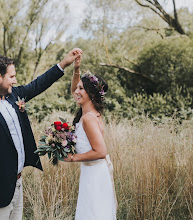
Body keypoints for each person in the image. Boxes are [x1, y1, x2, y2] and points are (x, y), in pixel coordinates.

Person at [0, 48, 82, 220]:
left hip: (17, 184)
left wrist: (64, 63)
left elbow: (38, 84)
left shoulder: (12, 95)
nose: (15, 81)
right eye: (12, 77)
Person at [64, 55, 117, 219]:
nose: (77, 92)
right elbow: (73, 89)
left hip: (94, 174)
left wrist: (72, 158)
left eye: (81, 89)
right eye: (78, 88)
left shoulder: (88, 118)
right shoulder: (91, 113)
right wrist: (76, 69)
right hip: (92, 171)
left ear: (91, 93)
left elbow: (101, 151)